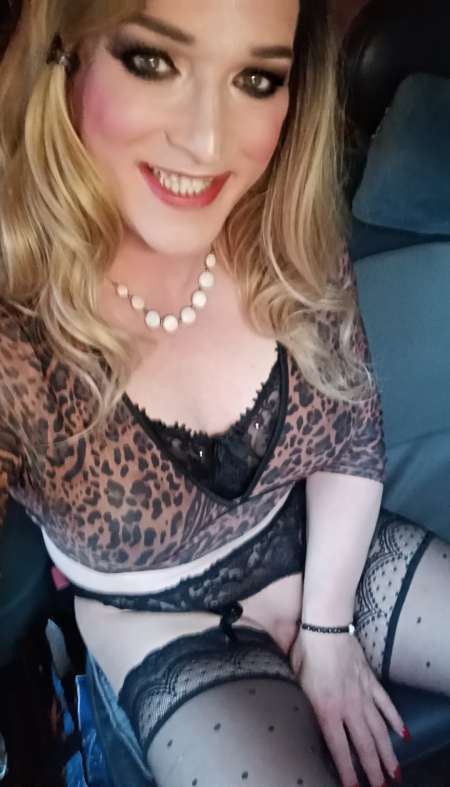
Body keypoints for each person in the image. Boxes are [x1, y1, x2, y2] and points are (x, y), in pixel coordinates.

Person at [0, 1, 449, 786]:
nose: (208, 141)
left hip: (321, 547)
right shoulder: (15, 320)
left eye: (256, 78)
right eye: (152, 62)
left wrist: (328, 626)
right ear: (62, 55)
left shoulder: (287, 234)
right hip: (160, 625)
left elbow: (350, 433)